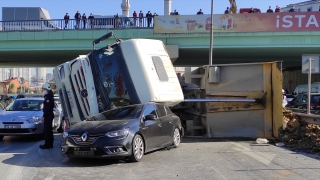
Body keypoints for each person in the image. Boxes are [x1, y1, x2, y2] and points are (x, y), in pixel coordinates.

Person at [39, 83, 55, 149]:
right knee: (49, 130)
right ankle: (50, 144)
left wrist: (44, 116)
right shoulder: (49, 96)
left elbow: (47, 108)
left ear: (46, 89)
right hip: (49, 115)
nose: (43, 90)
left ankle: (47, 144)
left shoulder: (48, 97)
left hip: (48, 115)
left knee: (47, 131)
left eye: (43, 89)